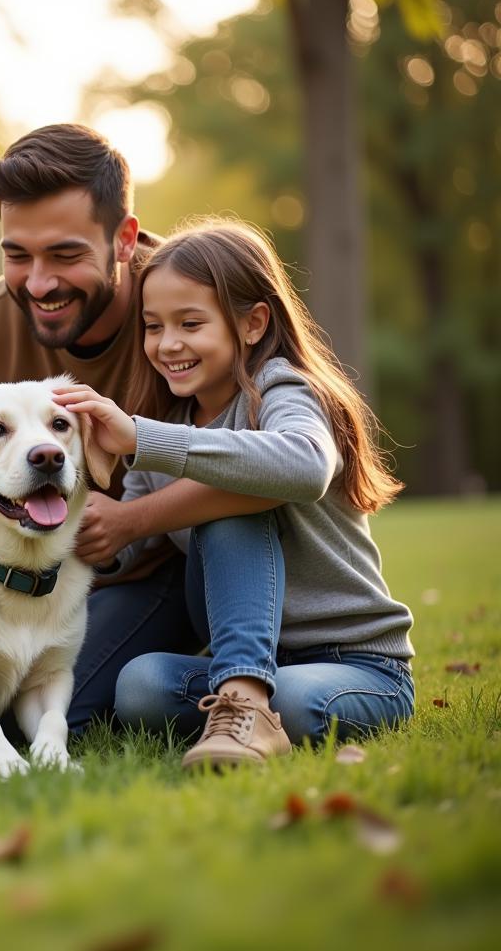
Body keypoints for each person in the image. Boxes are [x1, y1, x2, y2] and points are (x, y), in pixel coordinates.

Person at [53, 220, 415, 768]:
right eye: (153, 326)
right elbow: (126, 543)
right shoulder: (169, 420)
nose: (168, 344)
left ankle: (247, 706)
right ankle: (241, 701)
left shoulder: (282, 388)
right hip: (241, 663)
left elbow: (304, 465)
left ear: (252, 324)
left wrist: (139, 438)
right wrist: (85, 527)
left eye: (190, 323)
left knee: (229, 501)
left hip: (355, 664)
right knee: (141, 685)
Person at [0, 123, 199, 733]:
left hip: (182, 565)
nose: (38, 283)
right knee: (17, 709)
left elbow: (252, 460)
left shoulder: (189, 306)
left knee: (65, 705)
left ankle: (234, 670)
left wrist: (133, 521)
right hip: (52, 580)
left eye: (65, 255)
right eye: (17, 255)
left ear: (124, 239)